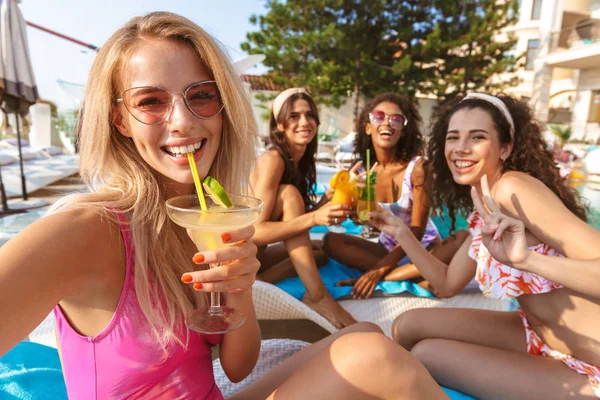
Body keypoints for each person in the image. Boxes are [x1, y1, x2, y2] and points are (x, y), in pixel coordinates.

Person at [1, 12, 453, 400]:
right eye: (151, 101)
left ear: (223, 107)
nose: (182, 120)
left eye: (201, 95)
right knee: (370, 356)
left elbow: (237, 367)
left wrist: (238, 291)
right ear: (119, 119)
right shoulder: (85, 228)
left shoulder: (206, 214)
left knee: (366, 336)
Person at [369, 93, 600, 398]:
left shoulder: (513, 189)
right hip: (535, 334)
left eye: (477, 137)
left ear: (505, 148)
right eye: (454, 138)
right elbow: (447, 284)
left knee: (427, 355)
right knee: (406, 326)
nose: (461, 148)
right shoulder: (486, 205)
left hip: (589, 363)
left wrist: (528, 260)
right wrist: (400, 231)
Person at [322, 93, 467, 299]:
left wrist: (378, 271)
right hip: (387, 248)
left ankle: (388, 276)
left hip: (423, 250)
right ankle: (411, 277)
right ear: (368, 126)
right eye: (379, 117)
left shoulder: (418, 168)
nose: (387, 123)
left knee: (462, 238)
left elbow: (416, 231)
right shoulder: (364, 171)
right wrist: (355, 211)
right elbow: (364, 218)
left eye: (396, 119)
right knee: (330, 241)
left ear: (403, 130)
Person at [250, 88, 356, 328]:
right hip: (238, 253)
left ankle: (263, 280)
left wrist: (327, 199)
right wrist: (315, 218)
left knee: (318, 252)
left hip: (257, 257)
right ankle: (317, 296)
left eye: (309, 115)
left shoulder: (299, 161)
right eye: (294, 116)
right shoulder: (273, 159)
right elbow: (254, 232)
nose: (304, 122)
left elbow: (295, 222)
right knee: (289, 193)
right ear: (279, 124)